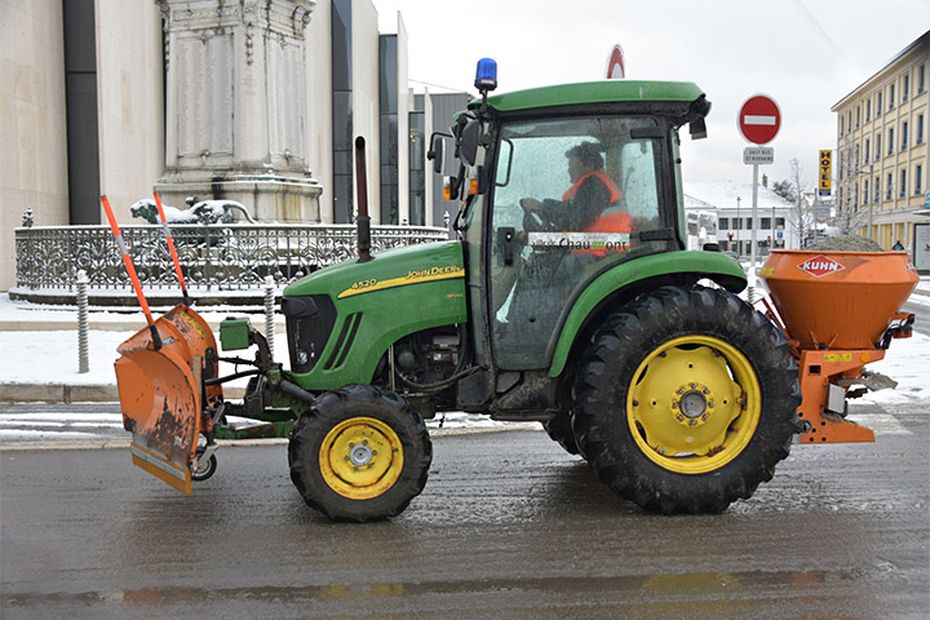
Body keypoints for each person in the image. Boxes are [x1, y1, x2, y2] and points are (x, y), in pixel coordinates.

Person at [519, 141, 625, 233]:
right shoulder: (597, 185)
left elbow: (577, 220)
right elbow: (575, 215)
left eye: (572, 167)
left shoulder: (594, 185)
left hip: (599, 249)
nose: (569, 171)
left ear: (589, 166)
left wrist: (541, 207)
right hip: (597, 245)